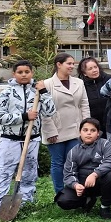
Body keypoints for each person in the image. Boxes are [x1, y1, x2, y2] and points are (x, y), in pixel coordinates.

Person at [0, 61, 57, 219]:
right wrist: (23, 117)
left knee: (29, 172)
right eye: (20, 72)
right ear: (14, 74)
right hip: (9, 139)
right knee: (3, 170)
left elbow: (50, 111)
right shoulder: (7, 93)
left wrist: (44, 92)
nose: (24, 74)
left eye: (27, 71)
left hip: (31, 139)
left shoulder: (37, 92)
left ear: (32, 73)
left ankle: (25, 201)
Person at [43, 53, 91, 195]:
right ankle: (60, 193)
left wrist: (86, 126)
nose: (72, 66)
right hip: (56, 130)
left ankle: (75, 190)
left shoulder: (79, 82)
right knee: (57, 163)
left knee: (75, 161)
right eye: (68, 63)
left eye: (72, 64)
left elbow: (84, 104)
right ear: (59, 64)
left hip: (75, 129)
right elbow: (44, 111)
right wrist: (50, 131)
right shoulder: (47, 84)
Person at [55, 118, 111, 219]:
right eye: (85, 130)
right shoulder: (73, 151)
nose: (88, 133)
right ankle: (86, 200)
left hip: (100, 181)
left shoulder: (105, 144)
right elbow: (69, 174)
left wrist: (95, 174)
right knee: (63, 200)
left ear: (98, 133)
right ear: (80, 132)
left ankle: (105, 206)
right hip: (81, 184)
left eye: (92, 130)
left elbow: (110, 162)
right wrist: (75, 185)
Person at [78, 57, 111, 137]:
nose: (94, 70)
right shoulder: (81, 85)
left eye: (95, 67)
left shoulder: (109, 80)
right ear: (84, 73)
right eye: (90, 69)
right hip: (93, 124)